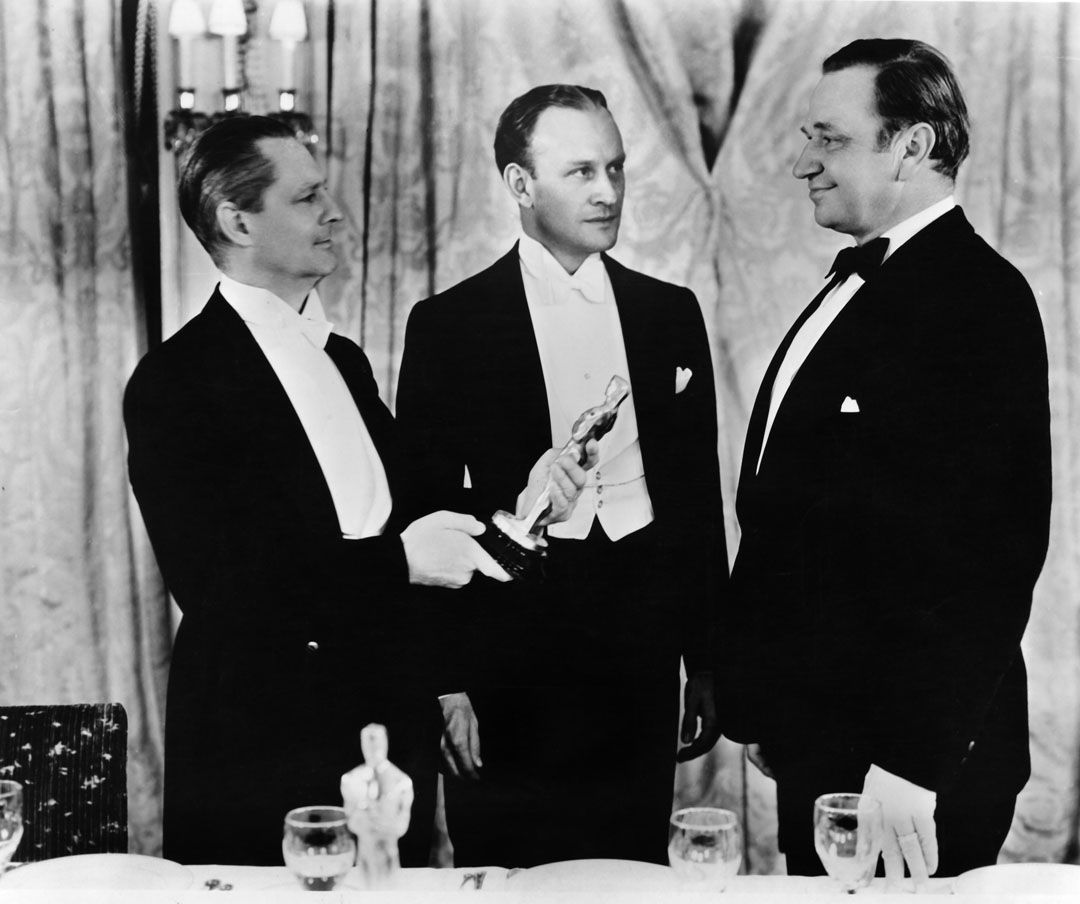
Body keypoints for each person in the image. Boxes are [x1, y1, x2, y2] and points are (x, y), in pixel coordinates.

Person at [124, 115, 590, 865]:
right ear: (236, 220)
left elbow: (405, 512)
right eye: (307, 197)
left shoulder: (342, 358)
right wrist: (399, 563)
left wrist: (521, 507)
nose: (335, 212)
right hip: (262, 737)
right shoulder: (175, 382)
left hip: (384, 721)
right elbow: (218, 587)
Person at [723, 39, 1051, 882]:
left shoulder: (980, 301)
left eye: (829, 139)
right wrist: (766, 699)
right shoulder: (856, 284)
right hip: (824, 738)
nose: (803, 164)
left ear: (912, 145)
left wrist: (913, 764)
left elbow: (992, 558)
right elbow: (797, 517)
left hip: (907, 770)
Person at [396, 84, 727, 867]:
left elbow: (695, 501)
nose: (609, 191)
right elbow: (425, 510)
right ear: (520, 185)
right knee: (509, 865)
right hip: (510, 652)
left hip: (642, 650)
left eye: (615, 168)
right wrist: (445, 684)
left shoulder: (670, 313)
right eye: (581, 172)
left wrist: (709, 659)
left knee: (632, 865)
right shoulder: (449, 325)